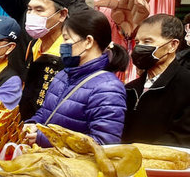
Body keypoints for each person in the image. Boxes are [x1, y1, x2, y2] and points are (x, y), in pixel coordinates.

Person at [24, 9, 128, 147]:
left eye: (66, 39)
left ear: (88, 42)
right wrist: (32, 124)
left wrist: (44, 138)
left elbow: (104, 143)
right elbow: (46, 112)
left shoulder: (108, 87)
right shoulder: (63, 75)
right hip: (49, 161)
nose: (63, 45)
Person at [122, 14, 190, 146]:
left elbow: (182, 137)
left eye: (147, 42)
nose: (139, 47)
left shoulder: (186, 85)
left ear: (172, 45)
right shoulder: (131, 88)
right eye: (137, 42)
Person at [18, 0, 73, 120]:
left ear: (62, 14)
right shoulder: (34, 44)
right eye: (29, 9)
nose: (31, 15)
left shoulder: (69, 53)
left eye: (39, 10)